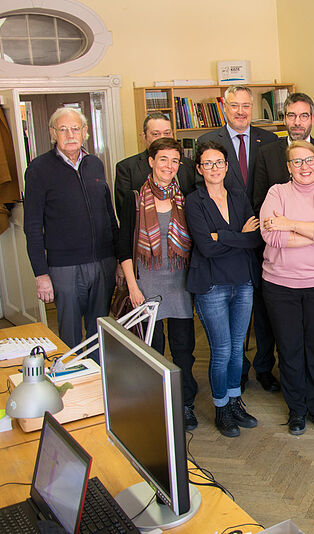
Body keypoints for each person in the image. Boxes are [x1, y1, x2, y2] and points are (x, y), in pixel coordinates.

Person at [260, 140, 314, 435]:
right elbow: (272, 237)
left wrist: (290, 223)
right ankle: (296, 409)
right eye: (297, 162)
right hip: (280, 285)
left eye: (309, 160)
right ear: (288, 167)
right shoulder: (276, 193)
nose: (304, 167)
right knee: (290, 349)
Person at [198, 85, 279, 393]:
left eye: (247, 106)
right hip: (229, 244)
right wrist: (233, 234)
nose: (241, 111)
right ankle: (238, 370)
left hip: (264, 234)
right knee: (235, 311)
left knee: (262, 308)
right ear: (225, 108)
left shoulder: (269, 140)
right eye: (235, 106)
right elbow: (203, 192)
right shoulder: (209, 142)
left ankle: (264, 367)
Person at [116, 137, 198, 431]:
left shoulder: (186, 198)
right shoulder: (135, 199)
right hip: (146, 286)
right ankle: (157, 406)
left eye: (175, 161)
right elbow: (123, 247)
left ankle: (185, 404)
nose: (169, 166)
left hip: (179, 286)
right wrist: (134, 287)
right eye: (163, 159)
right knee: (152, 351)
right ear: (151, 161)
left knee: (183, 350)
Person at [185, 140, 263, 438]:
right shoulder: (194, 201)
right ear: (199, 168)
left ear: (227, 166)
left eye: (219, 163)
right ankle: (221, 408)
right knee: (221, 350)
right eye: (208, 163)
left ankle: (234, 402)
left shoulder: (239, 197)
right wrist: (237, 236)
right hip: (212, 285)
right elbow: (205, 246)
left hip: (242, 282)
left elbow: (255, 239)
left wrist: (223, 236)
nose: (214, 168)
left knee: (236, 350)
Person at [23, 107, 117, 350]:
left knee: (100, 332)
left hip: (103, 262)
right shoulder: (38, 169)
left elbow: (109, 215)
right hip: (64, 267)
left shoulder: (95, 164)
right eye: (63, 129)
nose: (70, 134)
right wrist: (40, 274)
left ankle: (98, 382)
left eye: (75, 128)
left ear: (85, 132)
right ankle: (73, 383)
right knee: (70, 334)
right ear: (53, 133)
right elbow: (32, 226)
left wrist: (118, 259)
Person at [252, 92, 314, 207]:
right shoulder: (266, 154)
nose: (297, 122)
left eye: (304, 116)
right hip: (280, 223)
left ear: (312, 119)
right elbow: (260, 202)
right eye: (291, 115)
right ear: (284, 119)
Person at [114, 112, 197, 215]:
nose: (162, 138)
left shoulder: (189, 165)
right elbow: (125, 214)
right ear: (144, 137)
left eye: (167, 133)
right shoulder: (127, 168)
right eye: (156, 134)